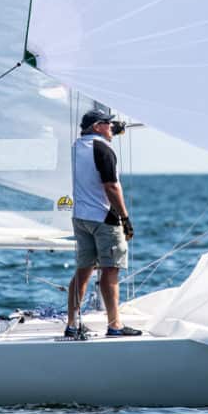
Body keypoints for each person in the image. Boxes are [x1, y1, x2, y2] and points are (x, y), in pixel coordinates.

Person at [66, 108, 141, 338]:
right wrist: (125, 218)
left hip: (81, 218)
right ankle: (115, 325)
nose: (112, 127)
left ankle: (71, 325)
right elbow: (111, 186)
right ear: (97, 126)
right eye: (108, 124)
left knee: (83, 270)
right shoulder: (103, 149)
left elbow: (93, 145)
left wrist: (111, 133)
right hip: (104, 218)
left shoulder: (77, 146)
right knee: (110, 270)